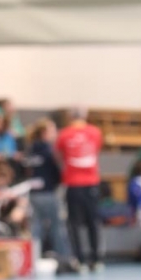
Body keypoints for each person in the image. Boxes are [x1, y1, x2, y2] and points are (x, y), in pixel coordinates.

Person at [56, 106, 104, 271]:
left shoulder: (64, 134)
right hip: (91, 183)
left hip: (73, 184)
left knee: (74, 224)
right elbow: (96, 151)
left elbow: (59, 156)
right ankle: (96, 259)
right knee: (93, 222)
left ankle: (80, 260)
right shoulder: (95, 132)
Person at [25, 119, 74, 269]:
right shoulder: (49, 151)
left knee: (36, 227)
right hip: (48, 193)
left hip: (34, 194)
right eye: (52, 130)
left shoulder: (30, 150)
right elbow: (56, 172)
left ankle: (32, 259)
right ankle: (65, 259)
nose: (55, 133)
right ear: (44, 133)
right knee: (57, 227)